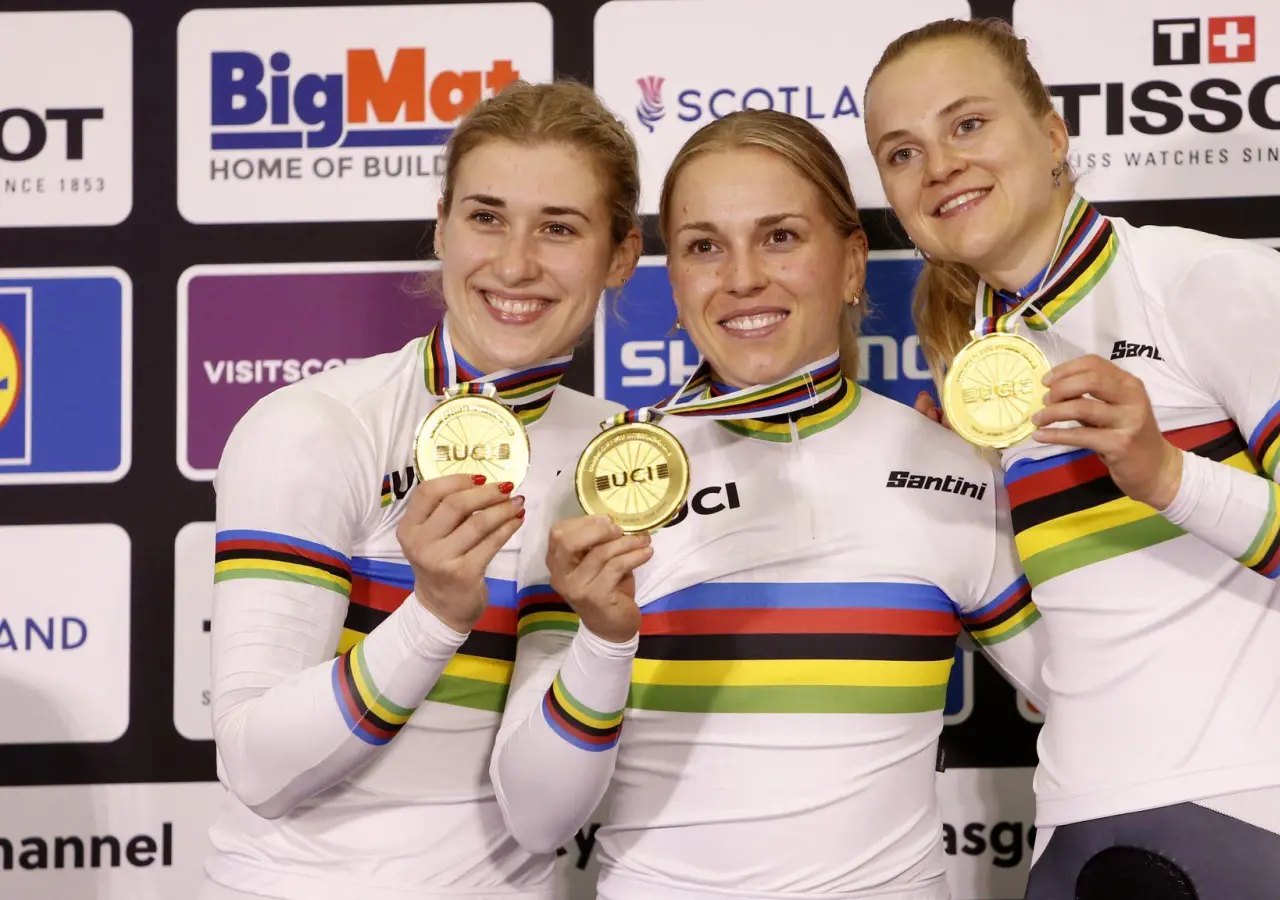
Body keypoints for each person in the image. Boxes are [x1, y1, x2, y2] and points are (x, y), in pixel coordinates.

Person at [862, 17, 1280, 900]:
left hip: (1271, 832)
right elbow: (1083, 659)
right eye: (901, 152)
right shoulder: (980, 372)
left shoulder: (1204, 283)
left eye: (967, 124)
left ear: (1052, 133)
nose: (938, 164)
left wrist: (1168, 475)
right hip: (1069, 838)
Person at [489, 108, 1051, 900]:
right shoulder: (604, 483)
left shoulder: (951, 466)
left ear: (852, 263)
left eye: (780, 236)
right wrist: (606, 642)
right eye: (705, 246)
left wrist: (1050, 482)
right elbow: (537, 819)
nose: (743, 277)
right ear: (675, 284)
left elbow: (1079, 696)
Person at [200, 79, 641, 900]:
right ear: (440, 227)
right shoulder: (317, 426)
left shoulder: (619, 456)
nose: (515, 263)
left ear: (620, 254)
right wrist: (433, 617)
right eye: (486, 217)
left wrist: (608, 642)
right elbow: (257, 767)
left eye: (558, 228)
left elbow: (543, 820)